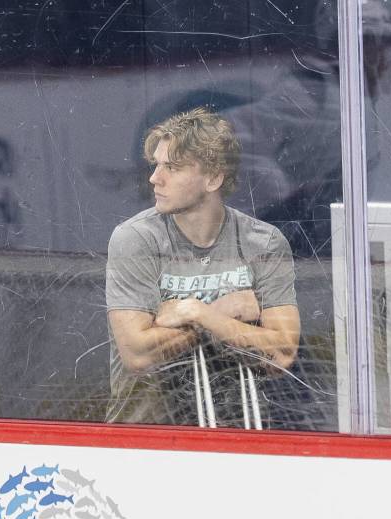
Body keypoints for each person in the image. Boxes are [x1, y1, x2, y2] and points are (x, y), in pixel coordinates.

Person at [105, 107, 300, 427]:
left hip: (240, 440)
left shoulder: (262, 242)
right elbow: (137, 354)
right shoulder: (136, 239)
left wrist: (196, 313)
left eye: (172, 167)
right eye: (156, 165)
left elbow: (281, 353)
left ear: (213, 177)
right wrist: (221, 312)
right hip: (144, 445)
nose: (155, 178)